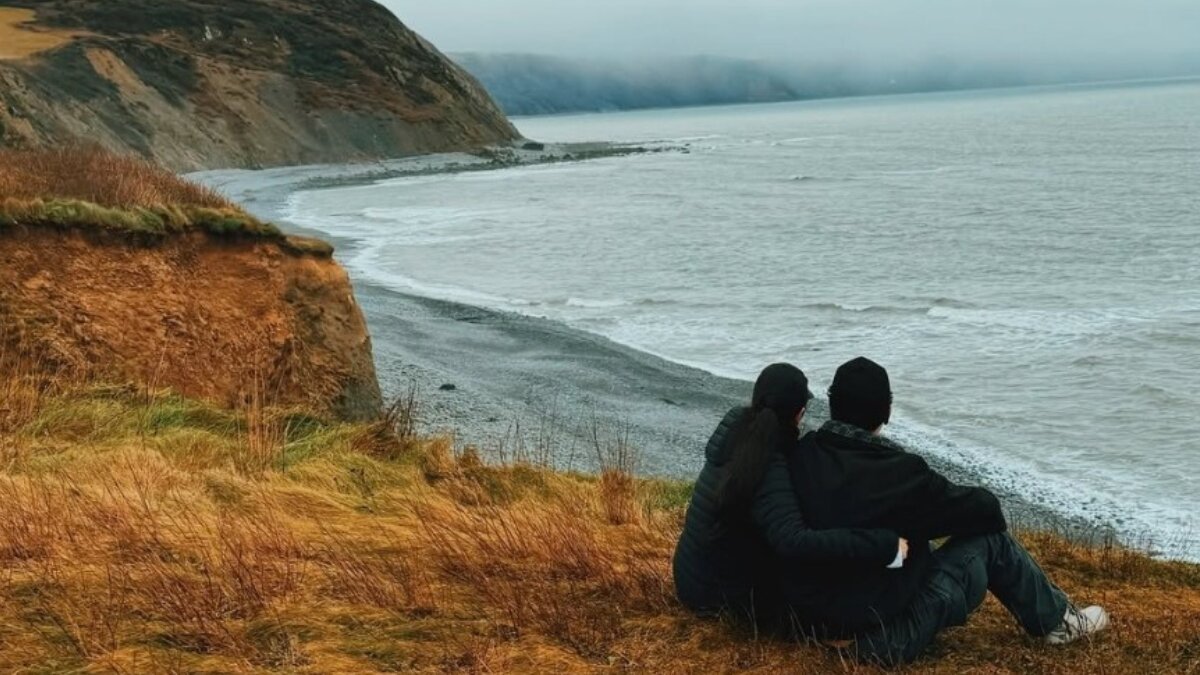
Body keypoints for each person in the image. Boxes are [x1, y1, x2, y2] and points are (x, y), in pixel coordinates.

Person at [781, 357, 1110, 665]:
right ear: (887, 411)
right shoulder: (900, 474)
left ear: (832, 403)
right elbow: (986, 510)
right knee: (989, 541)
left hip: (811, 628)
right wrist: (924, 520)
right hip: (884, 640)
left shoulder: (800, 456)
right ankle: (1058, 623)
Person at [672, 363, 906, 631]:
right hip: (721, 600)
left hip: (690, 578)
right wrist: (883, 545)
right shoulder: (767, 463)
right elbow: (794, 541)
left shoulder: (738, 432)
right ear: (800, 413)